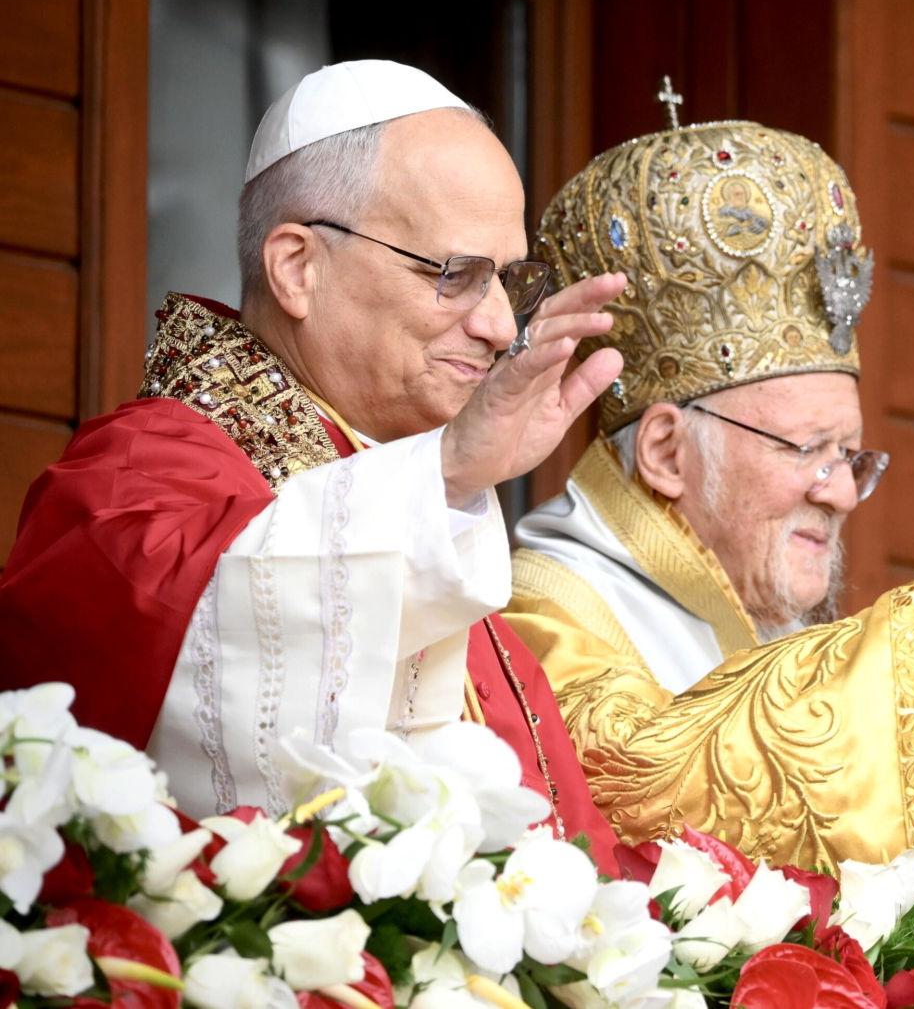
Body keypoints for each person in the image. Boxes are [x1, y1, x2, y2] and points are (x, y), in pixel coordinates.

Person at [500, 117, 914, 883]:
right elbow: (656, 781)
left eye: (849, 455)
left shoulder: (780, 630)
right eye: (805, 450)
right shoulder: (539, 616)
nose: (845, 491)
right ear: (666, 452)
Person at [0, 60, 626, 870]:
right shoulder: (136, 471)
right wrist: (443, 476)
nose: (503, 325)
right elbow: (152, 652)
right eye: (456, 275)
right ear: (297, 266)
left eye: (512, 281)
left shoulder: (425, 519)